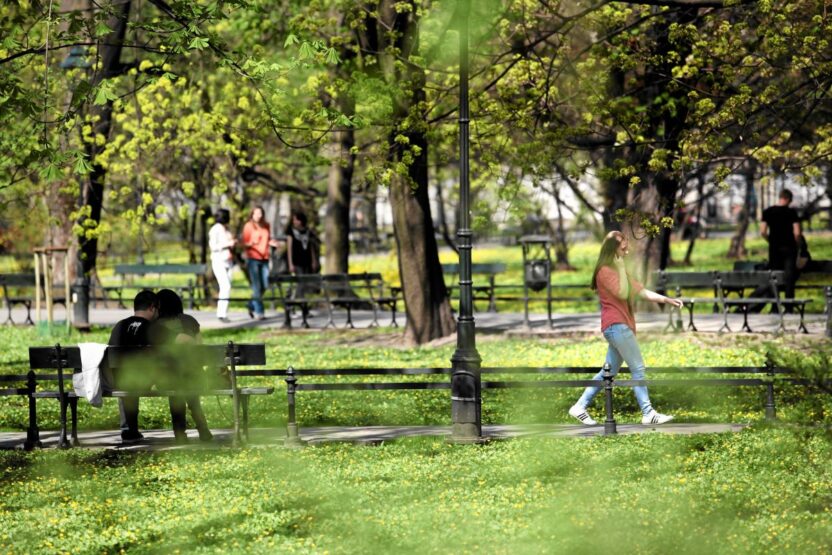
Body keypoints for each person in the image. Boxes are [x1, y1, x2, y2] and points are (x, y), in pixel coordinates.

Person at [568, 231, 684, 426]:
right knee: (638, 368)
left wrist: (666, 299)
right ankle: (648, 413)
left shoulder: (617, 270)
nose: (627, 251)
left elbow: (641, 291)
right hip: (617, 326)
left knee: (608, 372)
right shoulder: (605, 271)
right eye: (624, 247)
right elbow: (622, 292)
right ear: (614, 248)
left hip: (619, 327)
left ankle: (579, 406)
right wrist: (621, 268)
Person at [150, 289, 213, 443]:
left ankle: (179, 433)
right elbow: (200, 348)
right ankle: (203, 429)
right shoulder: (189, 320)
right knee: (190, 390)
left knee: (176, 391)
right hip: (194, 376)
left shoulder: (155, 325)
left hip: (167, 379)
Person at [105, 289, 159, 442]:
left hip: (119, 381)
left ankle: (129, 430)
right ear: (152, 308)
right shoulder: (153, 328)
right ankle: (130, 430)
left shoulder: (119, 326)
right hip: (144, 381)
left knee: (126, 379)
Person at [761, 189, 801, 310]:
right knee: (789, 277)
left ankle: (775, 306)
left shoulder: (768, 211)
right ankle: (789, 307)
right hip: (789, 248)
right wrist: (798, 245)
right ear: (789, 199)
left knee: (774, 276)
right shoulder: (792, 212)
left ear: (780, 197)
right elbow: (797, 233)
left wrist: (771, 241)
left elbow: (762, 231)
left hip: (774, 248)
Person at [242, 206, 281, 320]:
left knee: (264, 284)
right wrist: (251, 243)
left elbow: (267, 239)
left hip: (264, 258)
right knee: (257, 286)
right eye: (256, 213)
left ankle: (250, 304)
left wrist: (271, 242)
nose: (259, 215)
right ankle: (260, 312)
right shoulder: (248, 226)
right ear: (252, 214)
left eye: (260, 213)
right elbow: (244, 243)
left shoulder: (266, 225)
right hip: (253, 258)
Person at [209, 208, 236, 323]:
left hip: (228, 261)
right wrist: (228, 244)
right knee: (225, 286)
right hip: (218, 260)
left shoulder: (226, 229)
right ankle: (221, 314)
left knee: (227, 286)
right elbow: (213, 246)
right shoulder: (215, 229)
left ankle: (223, 312)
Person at [285, 211, 319, 275]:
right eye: (293, 220)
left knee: (309, 280)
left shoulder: (308, 232)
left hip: (307, 261)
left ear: (301, 221)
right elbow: (289, 249)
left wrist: (314, 261)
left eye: (296, 220)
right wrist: (290, 264)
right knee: (301, 281)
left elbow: (311, 248)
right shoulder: (291, 233)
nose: (294, 222)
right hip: (297, 262)